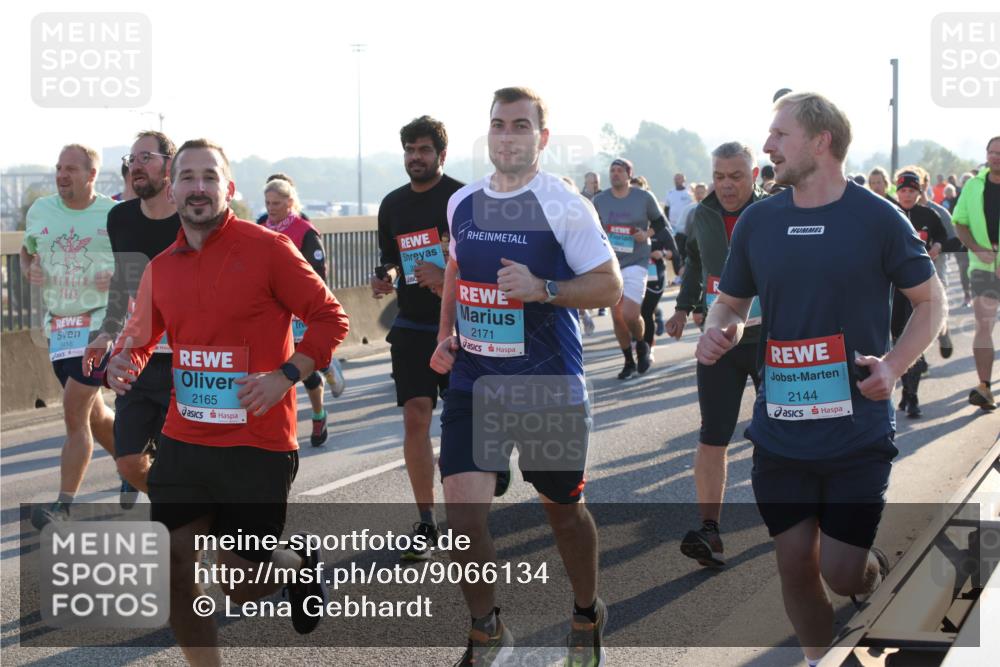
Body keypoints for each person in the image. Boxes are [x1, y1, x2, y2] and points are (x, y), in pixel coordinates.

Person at [698, 92, 945, 666]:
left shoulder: (878, 217)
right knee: (793, 564)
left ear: (820, 141)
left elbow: (930, 302)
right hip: (781, 431)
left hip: (854, 432)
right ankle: (817, 658)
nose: (767, 147)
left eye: (779, 135)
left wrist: (894, 366)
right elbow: (731, 304)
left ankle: (872, 571)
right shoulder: (759, 220)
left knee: (841, 573)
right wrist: (722, 330)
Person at [105, 139, 349, 662]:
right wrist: (126, 362)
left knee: (241, 587)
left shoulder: (269, 249)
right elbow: (143, 339)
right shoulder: (162, 267)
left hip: (257, 444)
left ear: (228, 189)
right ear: (172, 191)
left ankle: (293, 564)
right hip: (185, 440)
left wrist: (287, 375)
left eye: (209, 177)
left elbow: (331, 318)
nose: (197, 187)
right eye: (187, 178)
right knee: (172, 569)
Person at [429, 87, 621, 667]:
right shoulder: (461, 203)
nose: (507, 135)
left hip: (548, 382)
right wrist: (445, 335)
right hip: (475, 380)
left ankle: (587, 611)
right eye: (497, 124)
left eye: (520, 125)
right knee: (462, 521)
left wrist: (545, 289)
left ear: (541, 136)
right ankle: (487, 629)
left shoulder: (563, 205)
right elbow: (458, 277)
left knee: (562, 510)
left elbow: (609, 286)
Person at [372, 115, 472, 560]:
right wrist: (387, 276)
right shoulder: (392, 204)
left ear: (441, 155)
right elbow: (391, 258)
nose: (416, 157)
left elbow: (487, 264)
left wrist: (449, 270)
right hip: (412, 326)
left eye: (424, 149)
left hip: (463, 326)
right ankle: (427, 521)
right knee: (416, 416)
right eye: (410, 149)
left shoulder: (462, 198)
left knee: (462, 421)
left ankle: (480, 480)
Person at [666, 141, 767, 568]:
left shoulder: (773, 212)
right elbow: (693, 261)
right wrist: (683, 307)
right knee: (713, 434)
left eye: (737, 176)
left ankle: (792, 519)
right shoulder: (701, 214)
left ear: (755, 175)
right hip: (718, 340)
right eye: (720, 176)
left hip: (769, 339)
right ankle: (710, 531)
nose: (727, 185)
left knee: (776, 433)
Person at [22, 144, 118, 529]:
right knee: (94, 414)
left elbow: (142, 264)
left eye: (72, 169)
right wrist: (29, 268)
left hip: (99, 325)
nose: (62, 174)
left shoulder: (113, 214)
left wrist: (118, 276)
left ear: (91, 175)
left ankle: (63, 508)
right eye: (59, 168)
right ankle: (137, 468)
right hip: (59, 327)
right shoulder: (40, 210)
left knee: (73, 411)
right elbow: (28, 252)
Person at [83, 131, 179, 509]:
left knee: (181, 460)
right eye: (131, 159)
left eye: (145, 158)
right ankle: (187, 510)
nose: (135, 166)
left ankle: (187, 520)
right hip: (134, 355)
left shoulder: (192, 217)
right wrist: (107, 332)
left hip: (186, 359)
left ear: (169, 165)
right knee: (128, 463)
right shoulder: (119, 217)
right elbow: (123, 283)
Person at [262, 176, 331, 445]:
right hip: (270, 313)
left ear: (290, 203)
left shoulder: (305, 232)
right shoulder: (260, 227)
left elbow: (319, 277)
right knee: (272, 367)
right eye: (268, 203)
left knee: (304, 370)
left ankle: (318, 413)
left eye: (277, 203)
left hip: (299, 313)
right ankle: (276, 426)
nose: (271, 208)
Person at [594, 158, 676, 378]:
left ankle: (641, 344)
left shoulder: (643, 197)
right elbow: (593, 228)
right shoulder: (600, 200)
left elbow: (660, 224)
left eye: (620, 170)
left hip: (637, 261)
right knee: (617, 318)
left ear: (629, 175)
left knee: (630, 314)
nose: (615, 174)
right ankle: (628, 361)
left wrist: (646, 234)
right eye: (612, 170)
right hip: (611, 263)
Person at [892, 170, 948, 417]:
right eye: (903, 190)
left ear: (919, 192)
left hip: (920, 286)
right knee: (898, 338)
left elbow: (945, 237)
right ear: (897, 191)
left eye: (911, 191)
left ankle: (912, 397)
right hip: (893, 287)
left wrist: (937, 245)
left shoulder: (928, 215)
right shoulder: (889, 213)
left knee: (913, 336)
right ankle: (906, 390)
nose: (906, 195)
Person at [953, 136, 1000, 411]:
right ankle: (985, 387)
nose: (996, 157)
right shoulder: (973, 186)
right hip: (982, 266)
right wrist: (977, 248)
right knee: (985, 324)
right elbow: (959, 223)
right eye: (992, 152)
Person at [663, 172, 692, 281]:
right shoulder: (670, 193)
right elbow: (666, 209)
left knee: (686, 250)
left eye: (680, 178)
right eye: (676, 179)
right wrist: (668, 224)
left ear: (684, 179)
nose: (677, 180)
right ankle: (678, 274)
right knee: (676, 250)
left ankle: (686, 272)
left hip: (686, 228)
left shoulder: (689, 193)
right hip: (673, 227)